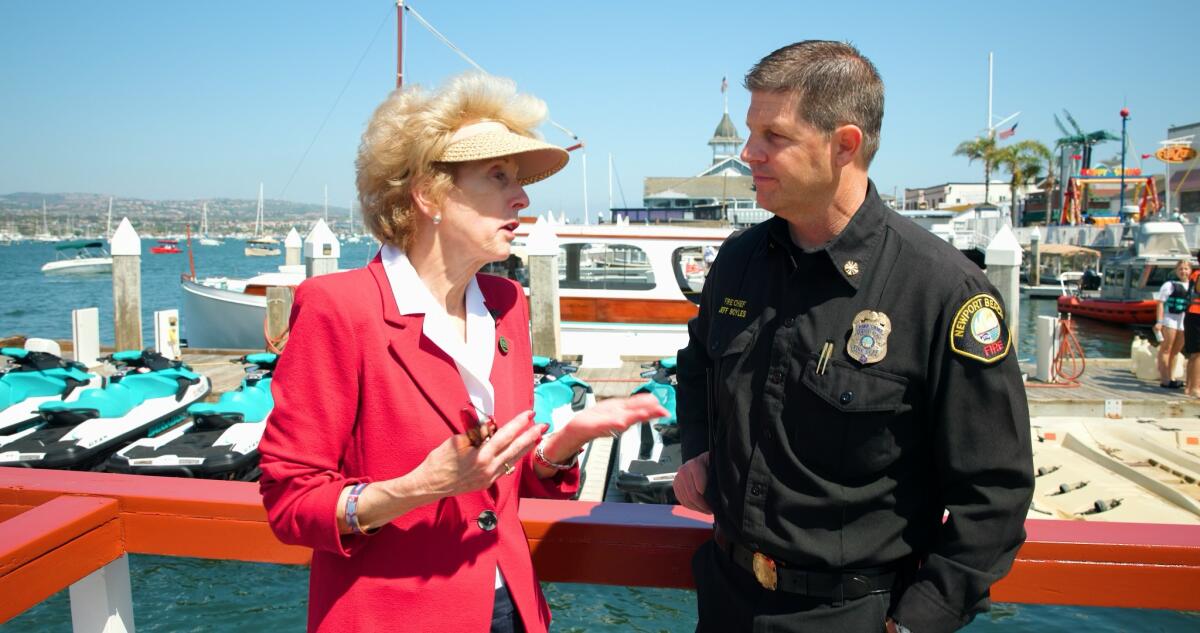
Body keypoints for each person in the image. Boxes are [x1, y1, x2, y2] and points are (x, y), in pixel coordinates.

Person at [258, 72, 667, 633]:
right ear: (428, 195)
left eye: (519, 179)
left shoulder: (507, 303)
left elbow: (496, 484)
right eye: (498, 176)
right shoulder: (339, 307)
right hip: (394, 618)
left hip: (512, 607)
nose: (521, 196)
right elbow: (289, 504)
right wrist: (416, 489)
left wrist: (562, 447)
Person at [672, 41, 1034, 633]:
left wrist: (918, 620)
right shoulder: (739, 262)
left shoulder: (942, 291)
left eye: (773, 136)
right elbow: (696, 367)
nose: (747, 153)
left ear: (845, 144)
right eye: (749, 132)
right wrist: (697, 448)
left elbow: (994, 493)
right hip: (725, 598)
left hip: (855, 615)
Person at [1154, 259, 1191, 388]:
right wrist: (1159, 321)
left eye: (1186, 269)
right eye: (1180, 269)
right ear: (1176, 271)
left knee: (1176, 351)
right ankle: (1164, 379)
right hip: (1170, 319)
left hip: (1184, 320)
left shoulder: (1192, 285)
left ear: (1190, 270)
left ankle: (1172, 376)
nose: (1183, 271)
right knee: (1166, 349)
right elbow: (1160, 303)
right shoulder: (1169, 285)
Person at [1185, 263, 1200, 398]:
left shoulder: (1195, 274)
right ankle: (1195, 388)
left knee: (1194, 355)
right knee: (1197, 354)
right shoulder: (1198, 275)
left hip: (1192, 315)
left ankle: (1189, 387)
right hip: (1196, 315)